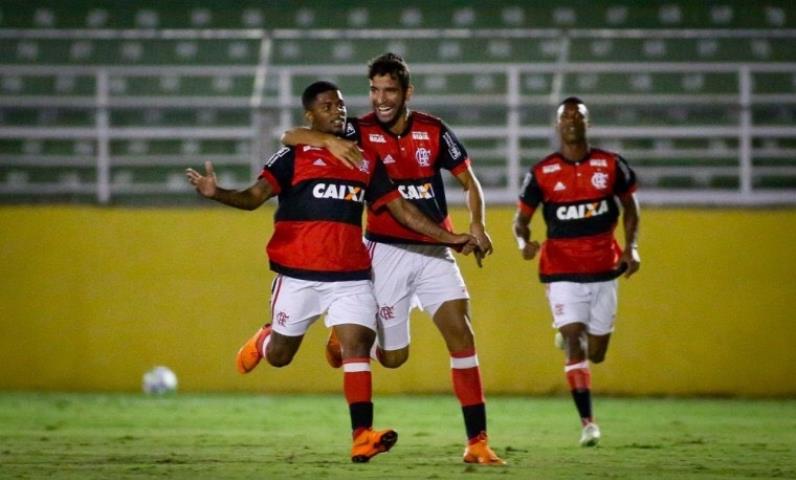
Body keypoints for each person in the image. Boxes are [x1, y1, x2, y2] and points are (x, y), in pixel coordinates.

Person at [185, 81, 476, 463]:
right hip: (298, 274)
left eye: (340, 105)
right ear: (311, 115)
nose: (337, 111)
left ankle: (361, 436)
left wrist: (450, 238)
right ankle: (265, 338)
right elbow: (254, 197)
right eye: (327, 106)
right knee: (281, 356)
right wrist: (217, 192)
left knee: (356, 346)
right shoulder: (293, 155)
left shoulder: (364, 160)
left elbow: (402, 210)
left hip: (350, 275)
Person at [282, 53, 504, 465]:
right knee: (393, 358)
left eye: (389, 90)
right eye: (374, 90)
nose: (381, 99)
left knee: (462, 335)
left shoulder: (434, 130)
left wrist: (478, 224)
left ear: (407, 93)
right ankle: (342, 335)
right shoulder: (356, 129)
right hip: (385, 253)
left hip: (437, 251)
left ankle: (478, 443)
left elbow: (469, 181)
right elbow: (291, 136)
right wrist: (329, 140)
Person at [512, 96, 641, 447]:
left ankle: (571, 337)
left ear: (587, 123)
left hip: (604, 271)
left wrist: (631, 248)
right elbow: (520, 221)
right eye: (564, 116)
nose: (571, 121)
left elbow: (630, 208)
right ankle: (588, 424)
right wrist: (523, 243)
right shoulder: (541, 173)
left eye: (577, 115)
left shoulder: (611, 165)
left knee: (596, 352)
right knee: (574, 340)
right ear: (557, 125)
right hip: (561, 270)